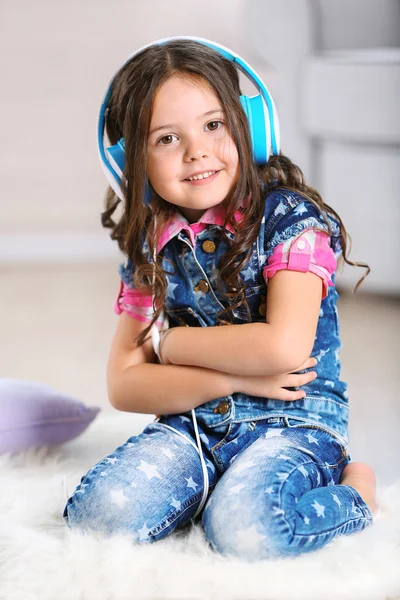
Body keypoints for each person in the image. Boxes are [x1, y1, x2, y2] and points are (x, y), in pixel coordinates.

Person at [63, 37, 376, 561]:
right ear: (129, 161)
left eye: (213, 124)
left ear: (248, 125)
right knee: (98, 520)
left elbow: (283, 351)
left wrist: (174, 345)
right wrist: (231, 377)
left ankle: (357, 493)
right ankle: (208, 484)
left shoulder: (290, 221)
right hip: (196, 417)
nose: (196, 151)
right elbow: (124, 384)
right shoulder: (151, 243)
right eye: (166, 138)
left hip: (294, 419)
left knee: (246, 529)